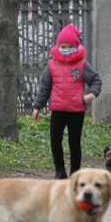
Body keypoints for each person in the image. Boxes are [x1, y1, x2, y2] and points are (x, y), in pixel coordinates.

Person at [32, 24, 102, 179]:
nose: (65, 49)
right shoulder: (51, 65)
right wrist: (37, 106)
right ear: (57, 46)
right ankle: (60, 170)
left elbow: (96, 80)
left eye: (69, 46)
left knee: (74, 142)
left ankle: (75, 173)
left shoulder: (82, 65)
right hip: (58, 109)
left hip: (76, 110)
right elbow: (45, 87)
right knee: (55, 141)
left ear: (76, 46)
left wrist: (91, 95)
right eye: (62, 46)